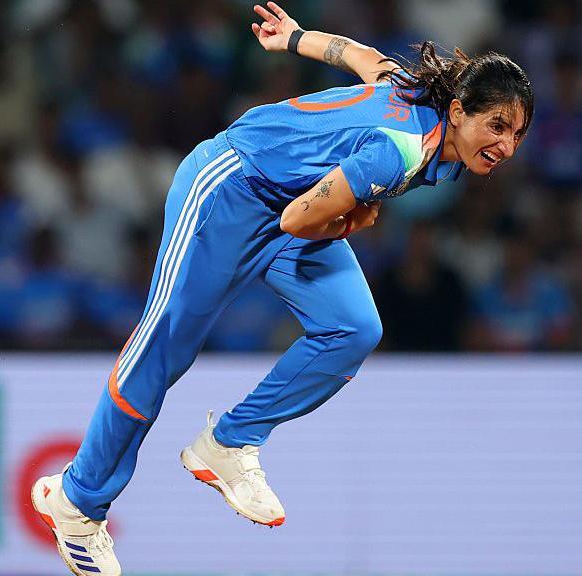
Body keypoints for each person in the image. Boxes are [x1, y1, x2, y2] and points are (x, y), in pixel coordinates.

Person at [30, 3, 533, 574]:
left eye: (518, 132)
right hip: (230, 186)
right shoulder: (398, 152)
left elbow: (364, 59)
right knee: (162, 348)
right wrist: (354, 218)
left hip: (291, 200)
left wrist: (296, 38)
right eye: (498, 127)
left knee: (354, 328)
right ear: (461, 110)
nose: (508, 146)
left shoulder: (419, 95)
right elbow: (299, 220)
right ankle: (77, 501)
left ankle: (227, 443)